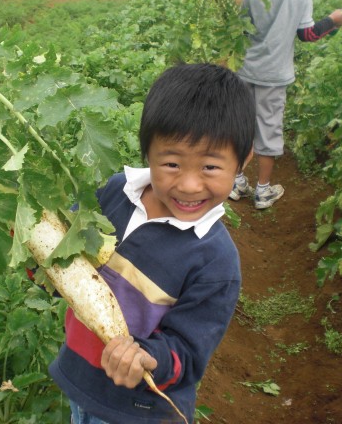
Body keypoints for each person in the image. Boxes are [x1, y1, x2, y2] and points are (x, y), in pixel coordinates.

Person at [48, 63, 255, 424]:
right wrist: (40, 250)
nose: (190, 185)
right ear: (148, 153)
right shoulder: (114, 191)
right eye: (172, 164)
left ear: (243, 161)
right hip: (80, 378)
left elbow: (188, 353)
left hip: (140, 410)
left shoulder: (215, 263)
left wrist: (147, 358)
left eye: (210, 168)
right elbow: (67, 259)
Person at [228, 0, 342, 209]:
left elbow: (240, 33)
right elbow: (307, 34)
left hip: (245, 71)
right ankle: (262, 191)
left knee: (242, 126)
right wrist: (333, 20)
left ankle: (236, 182)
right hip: (274, 76)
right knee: (268, 129)